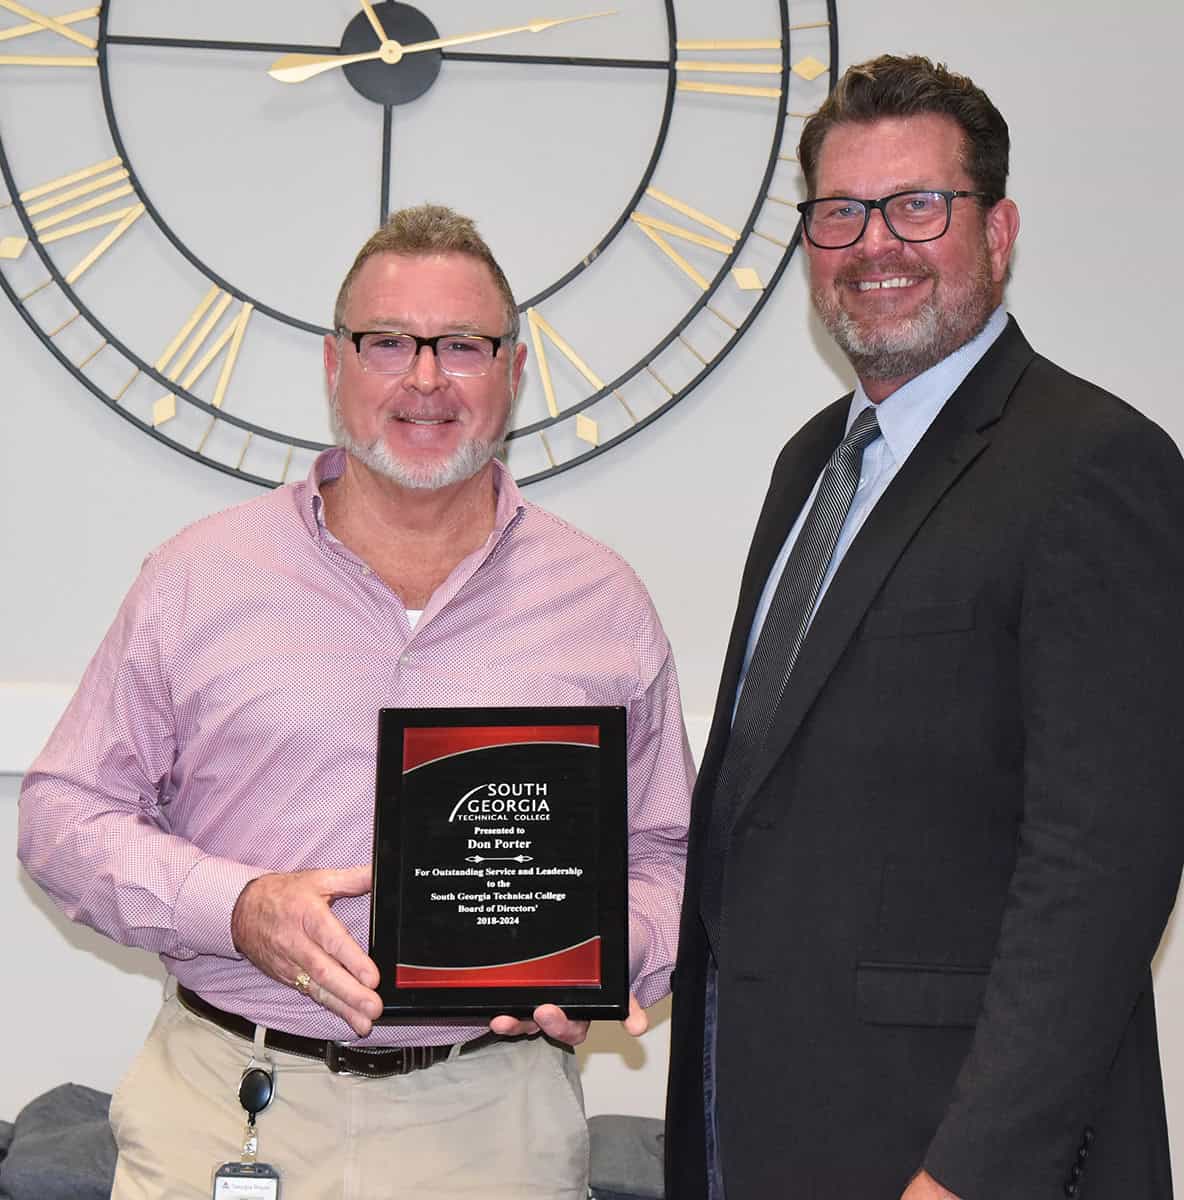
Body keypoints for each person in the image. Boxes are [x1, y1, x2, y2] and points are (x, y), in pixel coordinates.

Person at [19, 204, 693, 1200]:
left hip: (494, 1123)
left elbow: (666, 854)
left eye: (461, 344)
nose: (424, 378)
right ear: (335, 365)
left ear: (513, 371)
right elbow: (61, 817)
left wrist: (608, 952)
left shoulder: (603, 603)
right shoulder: (196, 577)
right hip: (227, 1103)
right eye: (388, 342)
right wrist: (235, 907)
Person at [665, 54, 1184, 1200]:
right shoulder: (809, 465)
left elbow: (1098, 873)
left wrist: (968, 1175)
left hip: (947, 1159)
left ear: (996, 232)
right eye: (839, 213)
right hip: (761, 1137)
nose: (873, 246)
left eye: (915, 206)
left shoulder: (1093, 465)